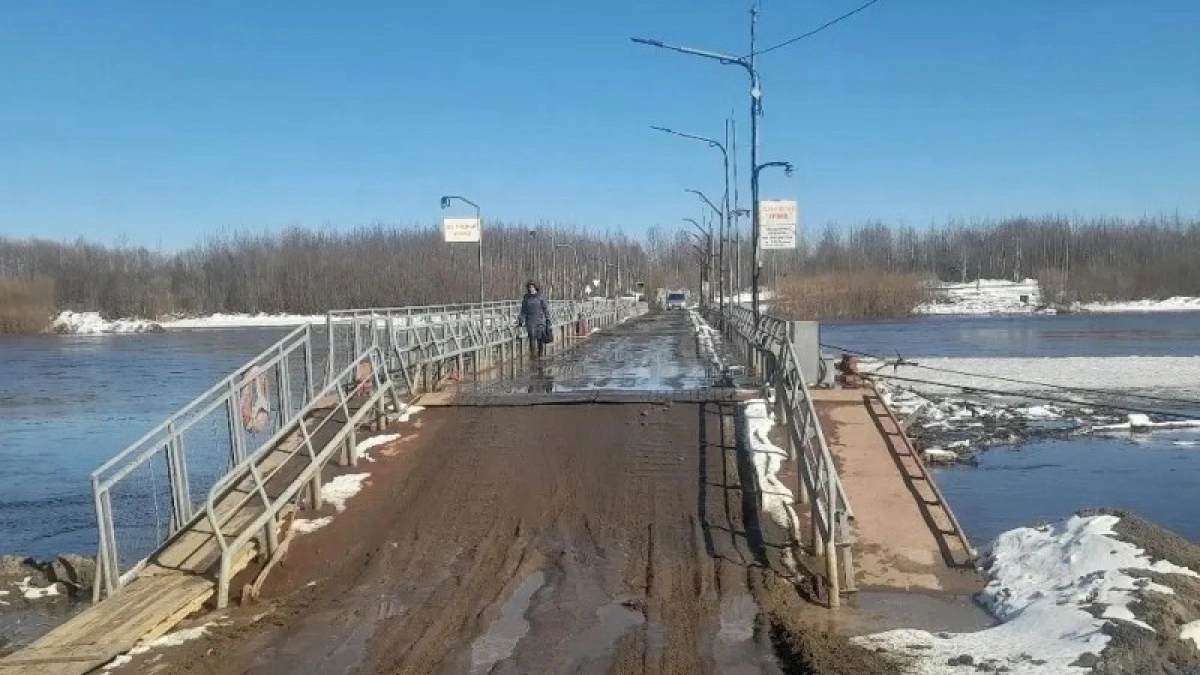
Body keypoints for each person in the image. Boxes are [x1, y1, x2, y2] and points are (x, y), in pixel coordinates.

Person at [518, 280, 551, 360]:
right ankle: (533, 356)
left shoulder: (540, 297)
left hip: (539, 320)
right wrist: (521, 319)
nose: (531, 289)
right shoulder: (526, 298)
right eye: (529, 287)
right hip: (530, 321)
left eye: (532, 287)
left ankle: (540, 355)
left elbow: (545, 308)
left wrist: (547, 318)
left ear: (535, 288)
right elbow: (523, 310)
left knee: (540, 338)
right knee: (532, 337)